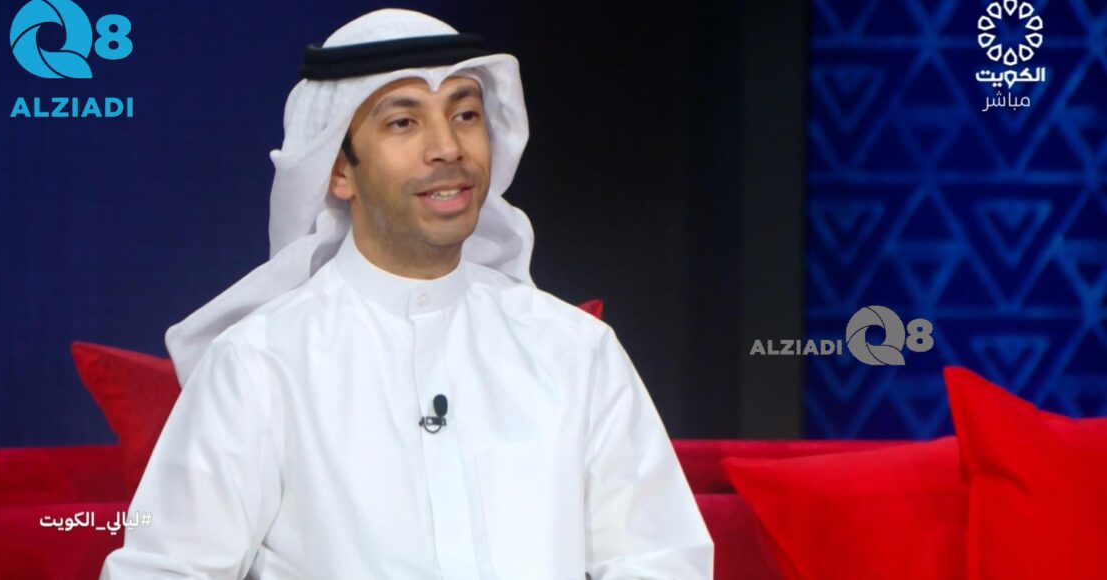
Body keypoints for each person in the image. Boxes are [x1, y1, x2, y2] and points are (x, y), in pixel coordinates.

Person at [101, 8, 713, 580]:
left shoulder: (575, 352)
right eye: (403, 121)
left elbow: (661, 560)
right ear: (338, 171)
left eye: (465, 114)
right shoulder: (260, 365)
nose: (447, 147)